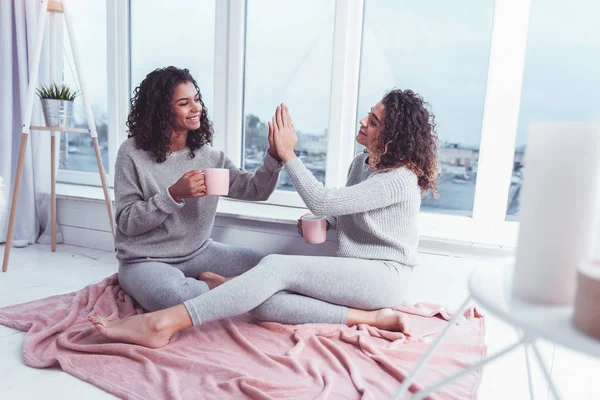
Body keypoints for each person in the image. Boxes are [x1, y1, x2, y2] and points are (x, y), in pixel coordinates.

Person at [90, 89, 440, 348]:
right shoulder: (361, 163)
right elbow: (339, 210)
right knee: (261, 296)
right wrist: (327, 223)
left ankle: (163, 323)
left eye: (374, 121)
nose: (364, 121)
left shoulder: (399, 179)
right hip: (146, 259)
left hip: (384, 276)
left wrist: (286, 155)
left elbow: (319, 199)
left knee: (273, 268)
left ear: (392, 136)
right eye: (369, 114)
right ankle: (373, 318)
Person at [113, 66, 283, 313]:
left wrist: (274, 157)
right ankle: (226, 289)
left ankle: (216, 287)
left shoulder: (210, 157)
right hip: (144, 260)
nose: (197, 108)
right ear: (161, 111)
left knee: (269, 267)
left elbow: (256, 190)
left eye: (197, 99)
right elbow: (127, 222)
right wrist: (173, 194)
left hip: (199, 252)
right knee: (173, 297)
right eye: (184, 103)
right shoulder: (131, 153)